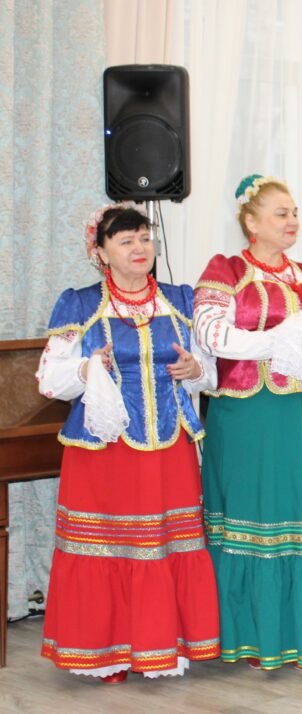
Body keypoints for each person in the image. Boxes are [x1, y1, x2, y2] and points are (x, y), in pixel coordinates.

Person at [36, 204, 220, 682]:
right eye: (126, 241)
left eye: (144, 238)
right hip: (104, 449)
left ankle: (164, 647)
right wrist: (87, 368)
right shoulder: (79, 304)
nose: (140, 248)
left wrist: (195, 370)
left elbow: (211, 372)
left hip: (170, 449)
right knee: (108, 548)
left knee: (164, 546)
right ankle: (108, 655)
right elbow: (49, 380)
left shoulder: (181, 299)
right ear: (100, 252)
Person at [193, 175, 302, 670]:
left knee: (301, 513)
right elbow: (210, 334)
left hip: (300, 412)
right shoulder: (227, 269)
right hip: (248, 410)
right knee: (257, 513)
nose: (292, 221)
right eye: (281, 213)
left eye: (295, 213)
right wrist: (282, 338)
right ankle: (252, 635)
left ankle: (301, 631)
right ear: (251, 222)